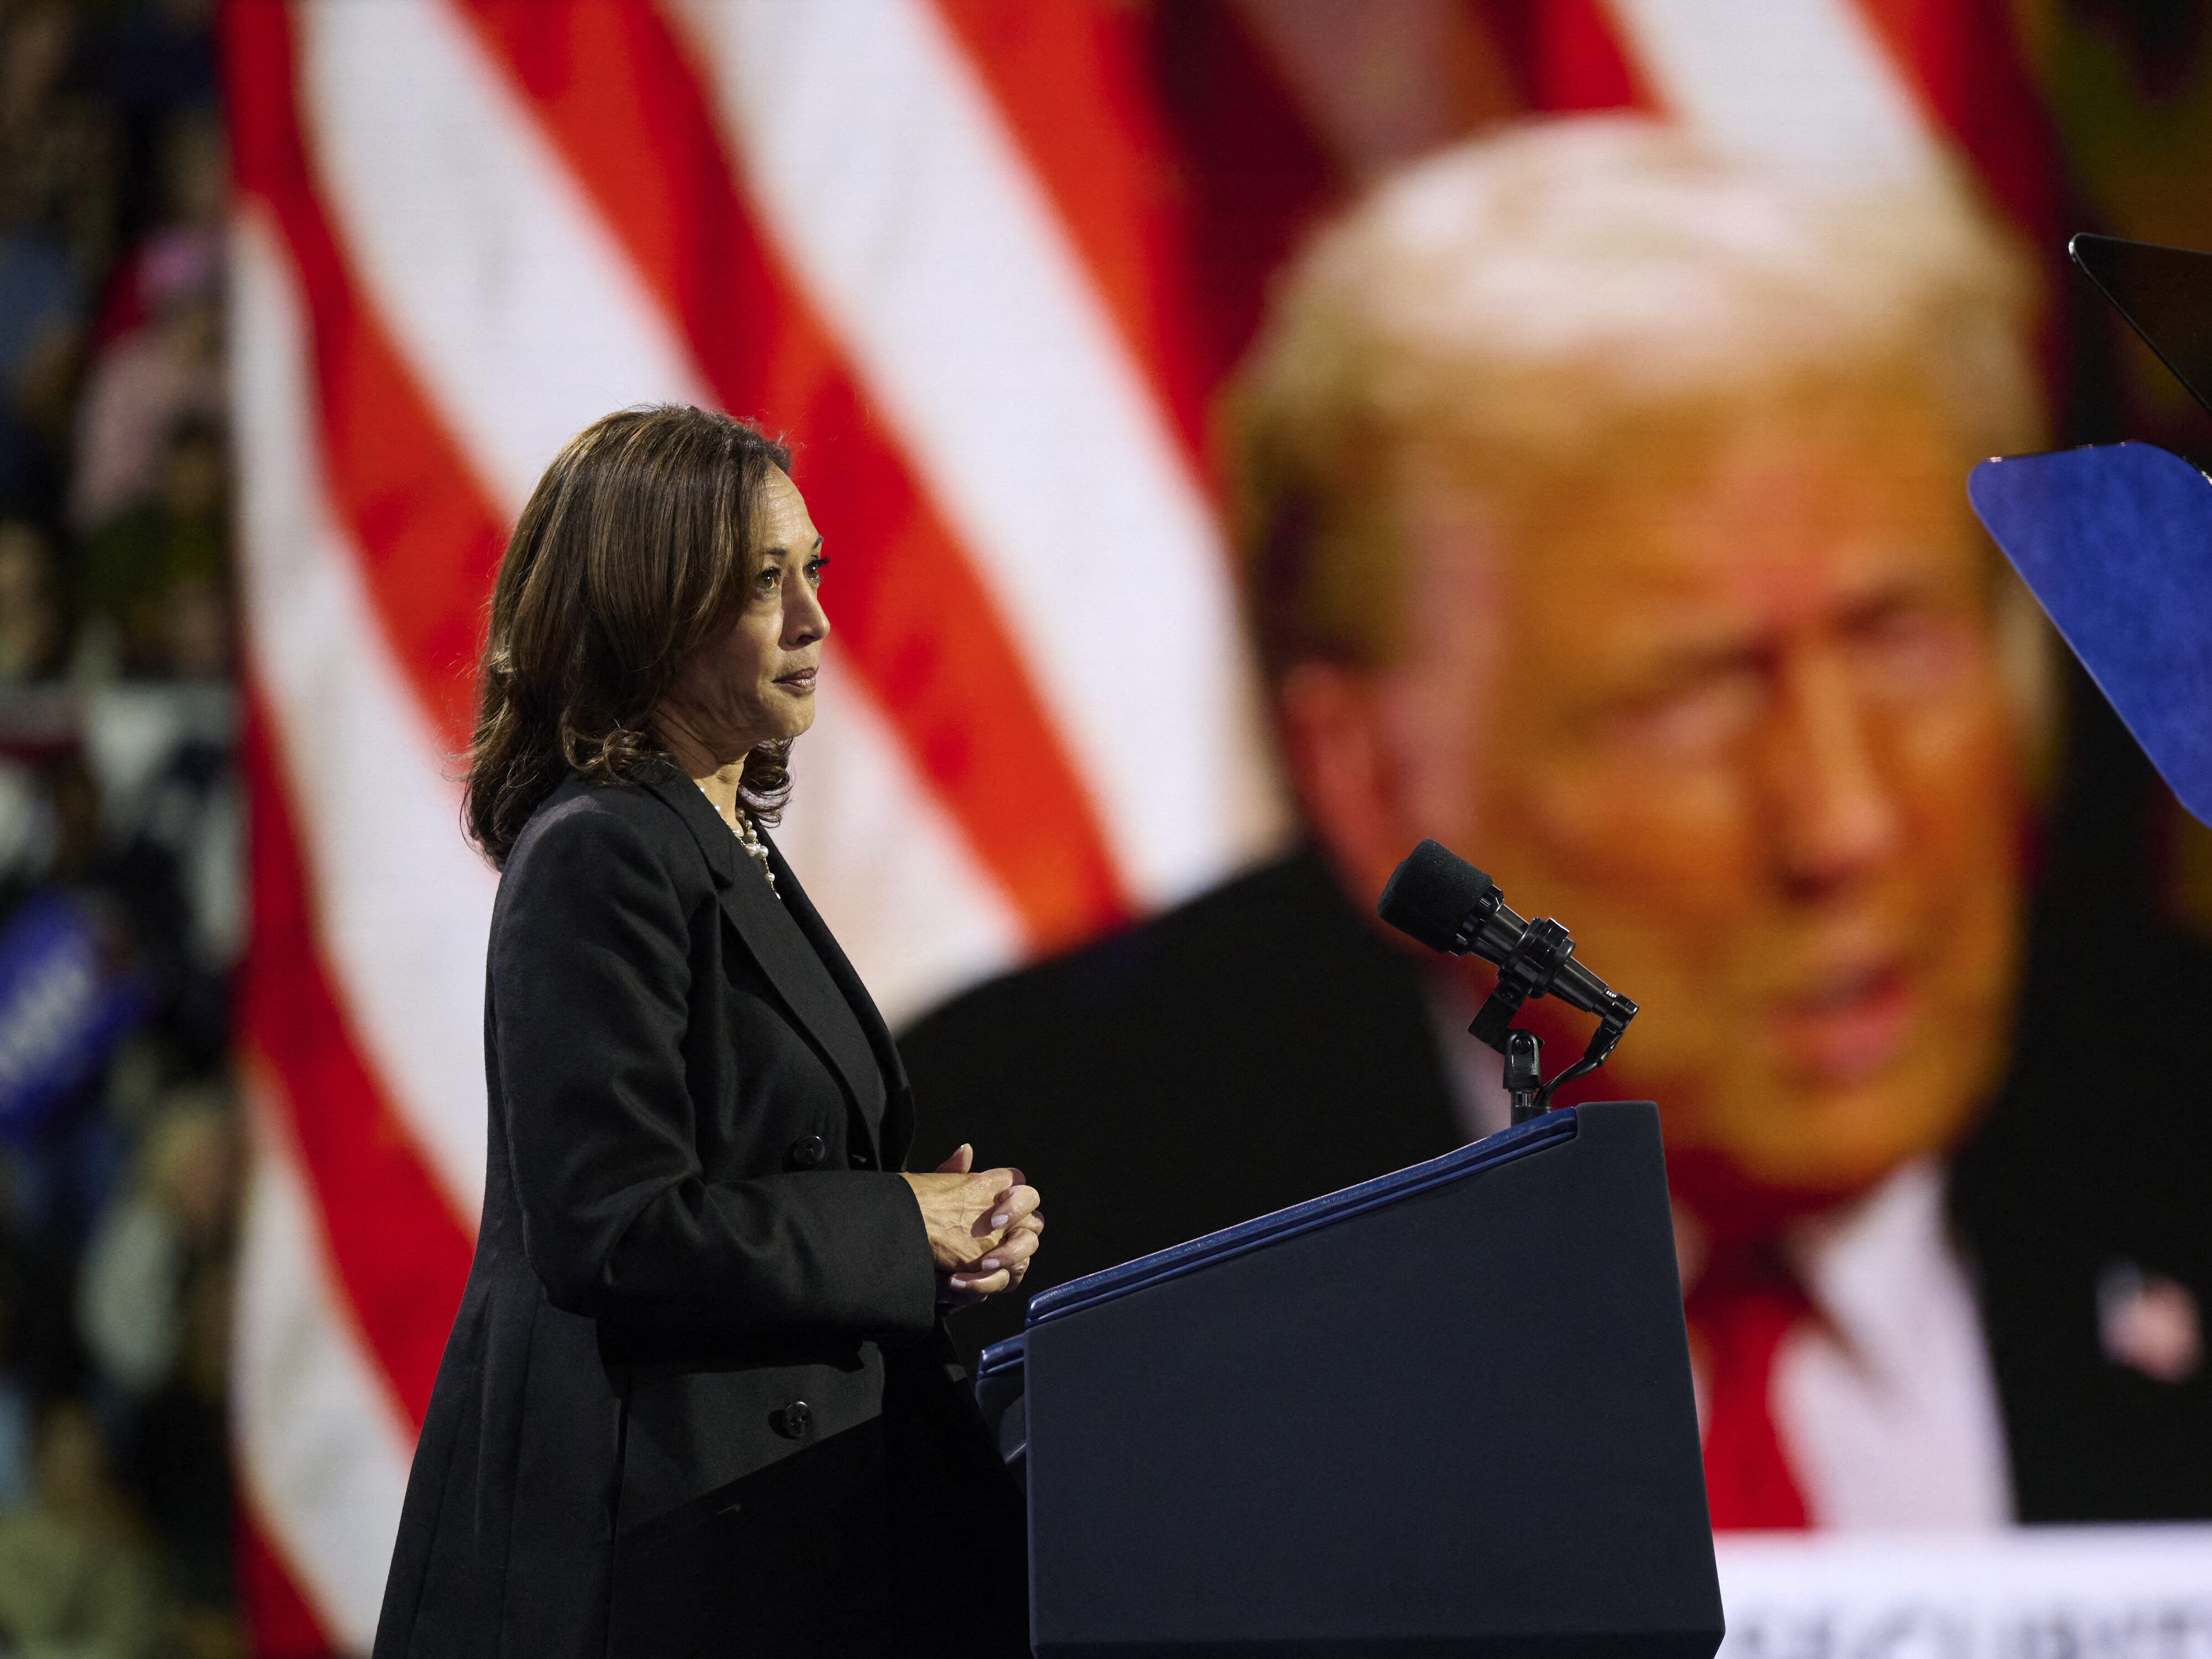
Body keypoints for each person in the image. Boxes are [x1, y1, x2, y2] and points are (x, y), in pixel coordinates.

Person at [900, 118, 2212, 1528]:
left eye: (1897, 638)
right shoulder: (1021, 1247)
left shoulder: (2178, 1102)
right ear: (1374, 780)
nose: (1843, 824)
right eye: (1690, 697)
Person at [374, 406, 1039, 1658]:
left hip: (780, 1527)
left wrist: (924, 1248)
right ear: (652, 611)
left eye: (813, 569)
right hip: (659, 1562)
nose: (815, 618)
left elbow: (749, 1176)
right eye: (762, 582)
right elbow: (615, 1226)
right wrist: (894, 1222)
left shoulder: (717, 842)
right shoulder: (600, 850)